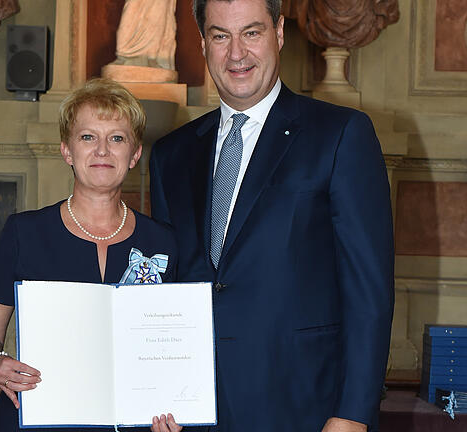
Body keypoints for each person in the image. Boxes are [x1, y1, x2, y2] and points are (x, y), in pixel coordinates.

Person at [148, 1, 394, 431]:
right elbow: (169, 284)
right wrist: (157, 394)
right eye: (221, 35)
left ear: (279, 33)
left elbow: (368, 291)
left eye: (252, 33)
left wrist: (354, 412)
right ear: (203, 41)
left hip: (304, 407)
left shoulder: (340, 135)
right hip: (195, 411)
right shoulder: (173, 154)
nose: (236, 53)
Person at [0, 78, 184, 432]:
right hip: (37, 417)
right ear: (67, 151)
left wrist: (172, 409)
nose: (102, 150)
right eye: (88, 137)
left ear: (134, 155)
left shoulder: (164, 242)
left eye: (116, 138)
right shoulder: (24, 233)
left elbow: (169, 351)